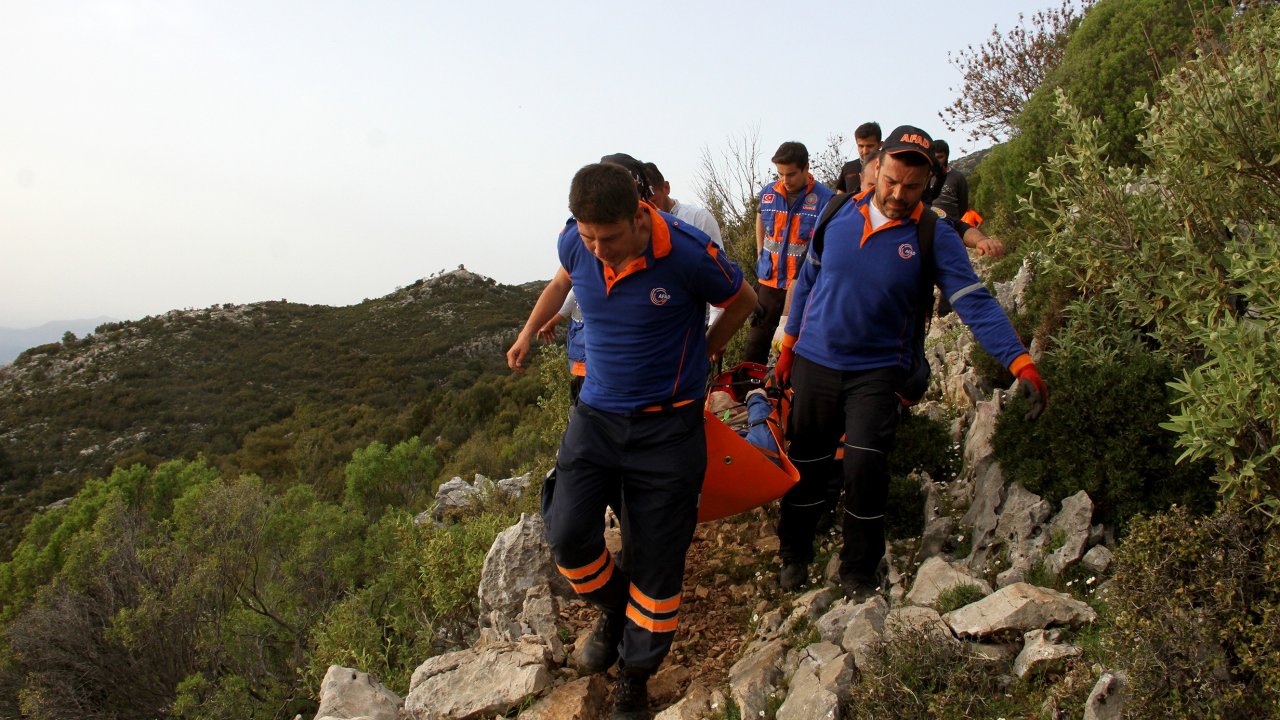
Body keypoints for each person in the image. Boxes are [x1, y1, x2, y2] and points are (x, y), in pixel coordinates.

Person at [507, 162, 756, 720]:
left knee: (656, 560)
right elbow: (560, 280)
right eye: (588, 236)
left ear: (639, 215)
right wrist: (527, 333)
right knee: (568, 534)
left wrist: (707, 352)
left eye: (610, 238)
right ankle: (617, 610)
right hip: (595, 417)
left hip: (667, 428)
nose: (598, 249)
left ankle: (635, 677)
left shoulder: (688, 252)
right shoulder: (577, 242)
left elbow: (745, 300)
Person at [771, 126, 1049, 599]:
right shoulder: (837, 212)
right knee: (807, 462)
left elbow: (974, 301)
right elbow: (807, 282)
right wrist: (789, 345)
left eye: (913, 187)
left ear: (928, 185)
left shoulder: (932, 234)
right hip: (814, 362)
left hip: (878, 371)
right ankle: (794, 552)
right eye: (892, 182)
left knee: (864, 469)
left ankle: (859, 572)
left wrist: (1019, 360)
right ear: (874, 169)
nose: (899, 195)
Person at [743, 141, 836, 366]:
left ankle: (787, 395)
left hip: (803, 285)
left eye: (791, 174)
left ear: (806, 168)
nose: (785, 180)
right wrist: (759, 252)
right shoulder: (768, 193)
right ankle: (748, 393)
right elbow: (760, 216)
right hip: (770, 280)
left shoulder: (826, 199)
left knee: (795, 346)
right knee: (756, 342)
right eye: (780, 174)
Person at [834, 122, 883, 194]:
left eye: (870, 146)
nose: (865, 151)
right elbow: (840, 198)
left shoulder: (887, 168)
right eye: (861, 146)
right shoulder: (848, 168)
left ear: (880, 145)